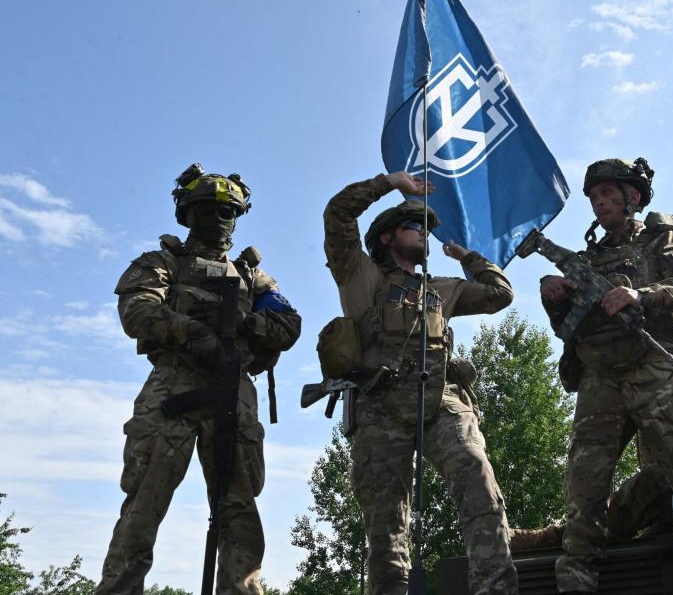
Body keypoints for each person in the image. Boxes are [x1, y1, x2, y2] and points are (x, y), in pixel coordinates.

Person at [96, 164, 302, 594]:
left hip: (234, 390)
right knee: (144, 504)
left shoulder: (251, 276)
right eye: (207, 210)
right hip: (174, 385)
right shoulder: (162, 262)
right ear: (187, 215)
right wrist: (193, 333)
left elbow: (288, 325)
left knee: (240, 509)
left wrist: (244, 326)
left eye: (228, 212)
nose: (219, 220)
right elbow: (138, 312)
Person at [539, 157, 673, 595]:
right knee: (583, 493)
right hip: (601, 378)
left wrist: (640, 294)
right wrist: (554, 296)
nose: (600, 203)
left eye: (608, 194)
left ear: (633, 197)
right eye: (594, 197)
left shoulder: (660, 241)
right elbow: (569, 328)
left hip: (655, 369)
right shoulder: (587, 259)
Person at [323, 171, 518, 595]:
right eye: (415, 227)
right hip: (380, 404)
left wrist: (467, 256)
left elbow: (499, 293)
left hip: (440, 400)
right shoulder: (360, 274)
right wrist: (389, 183)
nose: (424, 235)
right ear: (388, 237)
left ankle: (496, 588)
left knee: (478, 480)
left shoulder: (442, 288)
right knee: (386, 524)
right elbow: (338, 213)